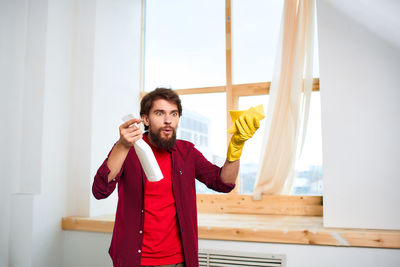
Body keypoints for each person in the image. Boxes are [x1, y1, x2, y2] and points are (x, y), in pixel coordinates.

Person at [92, 88, 262, 267]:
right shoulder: (127, 149)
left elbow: (223, 183)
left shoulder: (187, 152)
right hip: (135, 260)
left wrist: (236, 146)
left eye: (174, 113)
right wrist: (122, 146)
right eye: (159, 113)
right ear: (145, 119)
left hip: (179, 260)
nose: (168, 120)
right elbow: (100, 190)